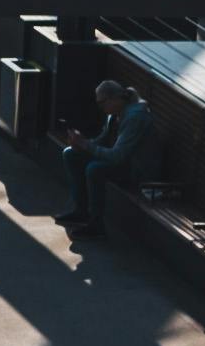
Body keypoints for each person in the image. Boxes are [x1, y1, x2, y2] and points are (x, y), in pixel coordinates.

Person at [59, 68, 156, 232]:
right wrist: (80, 144)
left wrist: (86, 145)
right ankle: (81, 211)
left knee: (94, 169)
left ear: (115, 99)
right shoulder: (114, 114)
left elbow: (117, 156)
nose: (100, 107)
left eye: (102, 103)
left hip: (137, 170)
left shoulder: (135, 118)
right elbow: (102, 141)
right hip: (123, 163)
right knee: (70, 153)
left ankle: (96, 225)